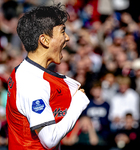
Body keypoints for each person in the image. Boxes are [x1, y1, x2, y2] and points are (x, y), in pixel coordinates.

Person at [6, 3, 90, 150]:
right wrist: (78, 103)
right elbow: (49, 139)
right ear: (44, 40)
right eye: (63, 31)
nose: (68, 38)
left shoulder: (26, 72)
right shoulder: (32, 83)